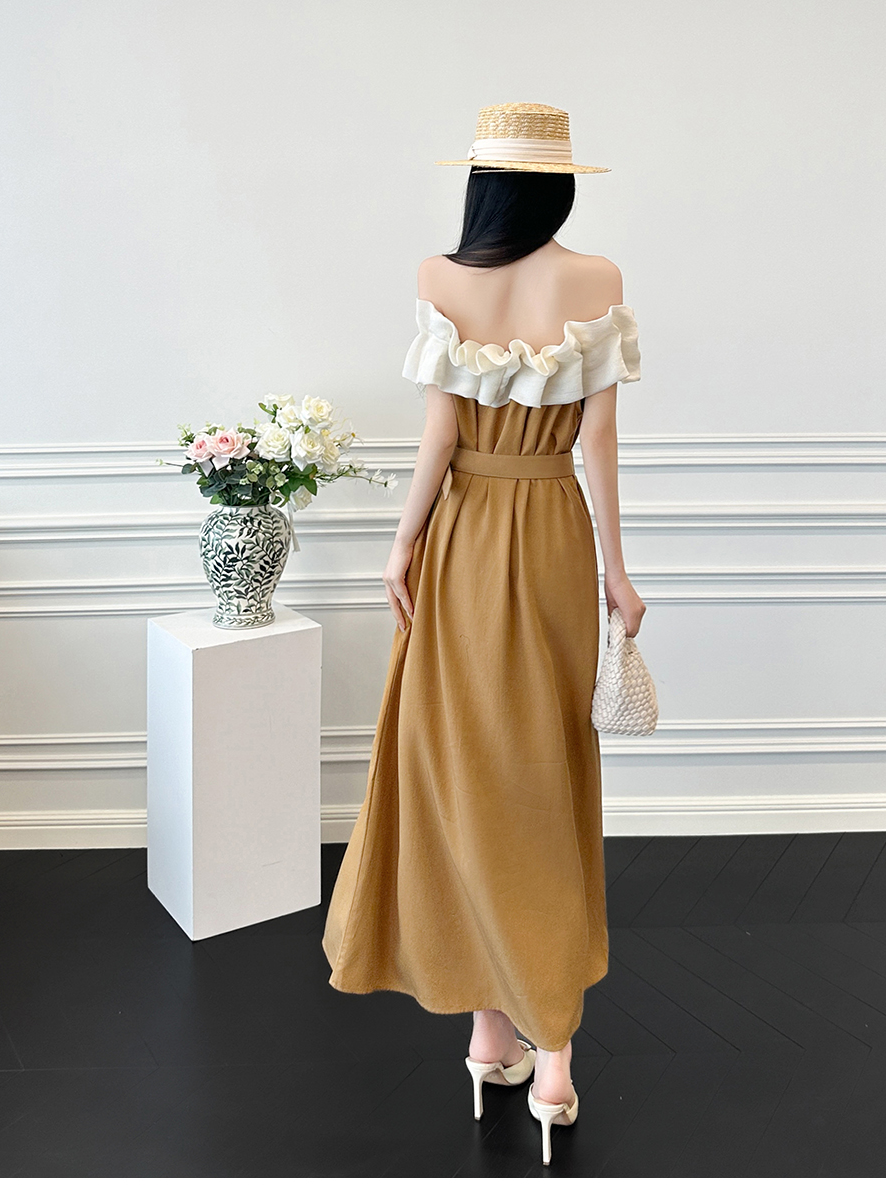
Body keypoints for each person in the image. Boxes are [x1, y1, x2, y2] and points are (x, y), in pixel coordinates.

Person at [322, 102, 644, 1166]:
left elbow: (440, 430)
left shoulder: (439, 277)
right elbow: (598, 441)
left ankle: (487, 1038)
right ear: (557, 185)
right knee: (543, 775)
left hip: (461, 533)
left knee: (463, 774)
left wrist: (401, 544)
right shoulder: (597, 278)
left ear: (481, 184)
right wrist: (615, 573)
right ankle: (547, 1056)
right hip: (551, 529)